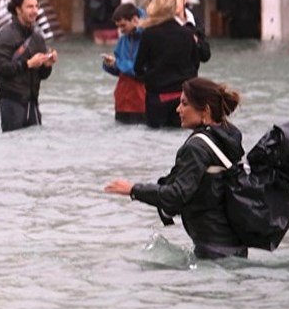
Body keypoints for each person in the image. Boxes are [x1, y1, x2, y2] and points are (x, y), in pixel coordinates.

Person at [104, 77, 248, 260]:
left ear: (205, 110)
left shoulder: (197, 148)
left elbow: (177, 195)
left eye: (184, 104)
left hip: (213, 252)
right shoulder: (227, 137)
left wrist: (133, 190)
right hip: (234, 247)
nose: (178, 109)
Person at [0, 0, 57, 132]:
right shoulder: (5, 36)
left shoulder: (38, 39)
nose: (35, 11)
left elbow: (42, 75)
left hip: (33, 102)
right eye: (30, 7)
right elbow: (1, 69)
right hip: (11, 101)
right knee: (13, 147)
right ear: (18, 10)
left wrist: (47, 65)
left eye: (36, 6)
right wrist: (28, 64)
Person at [134, 0, 200, 129]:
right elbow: (195, 64)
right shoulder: (187, 34)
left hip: (157, 97)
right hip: (182, 97)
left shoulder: (148, 34)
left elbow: (138, 67)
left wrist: (148, 78)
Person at [101, 2, 146, 124]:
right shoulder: (123, 40)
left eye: (123, 25)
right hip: (122, 100)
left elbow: (142, 70)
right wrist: (110, 64)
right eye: (119, 26)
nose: (121, 30)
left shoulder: (147, 38)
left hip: (141, 100)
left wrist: (118, 63)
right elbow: (120, 68)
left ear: (135, 20)